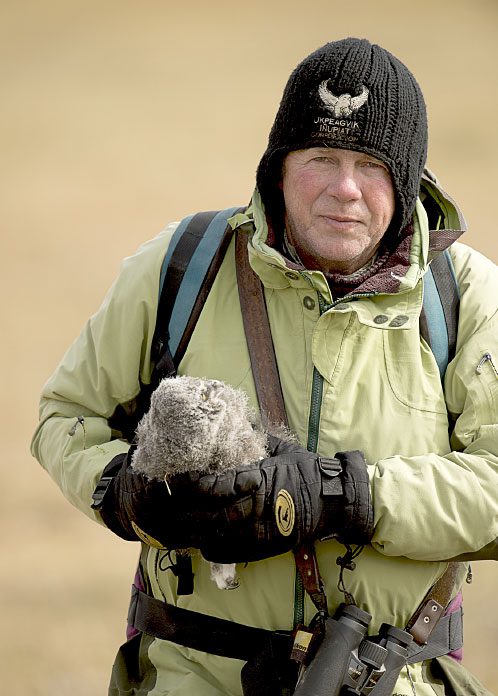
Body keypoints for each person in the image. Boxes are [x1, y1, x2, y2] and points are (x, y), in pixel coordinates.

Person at [31, 38, 498, 696]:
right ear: (277, 169)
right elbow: (65, 416)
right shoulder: (181, 267)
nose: (345, 188)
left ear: (408, 178)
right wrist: (125, 495)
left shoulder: (468, 299)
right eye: (321, 158)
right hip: (192, 676)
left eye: (370, 164)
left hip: (392, 677)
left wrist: (344, 496)